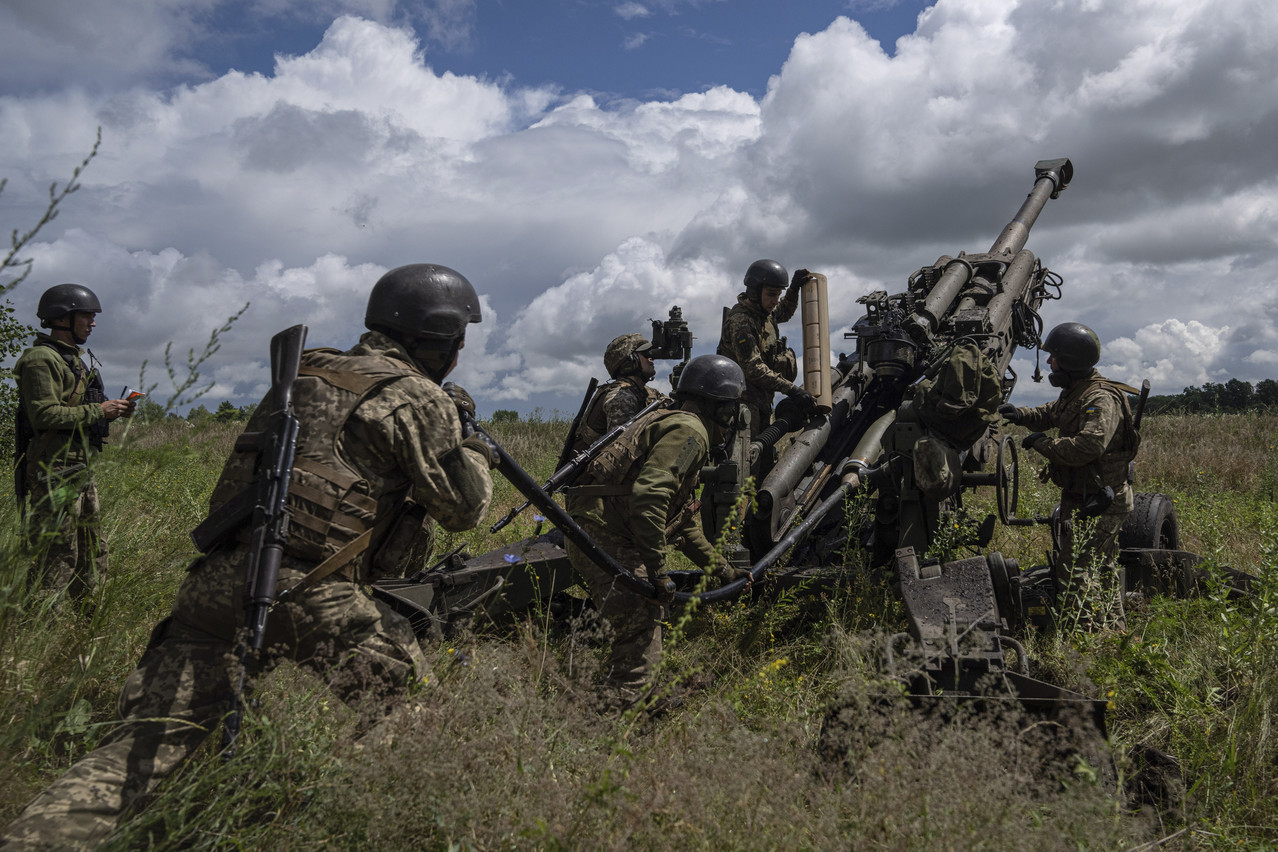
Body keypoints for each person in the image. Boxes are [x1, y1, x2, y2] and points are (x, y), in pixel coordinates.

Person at [1, 264, 497, 850]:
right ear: (440, 340)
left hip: (214, 582)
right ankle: (390, 827)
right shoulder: (415, 395)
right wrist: (474, 448)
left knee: (146, 747)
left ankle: (36, 839)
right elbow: (465, 510)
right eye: (458, 344)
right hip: (315, 589)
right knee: (411, 711)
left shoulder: (303, 371)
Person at [563, 353, 748, 711]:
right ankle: (623, 710)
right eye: (730, 413)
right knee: (641, 612)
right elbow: (651, 496)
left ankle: (640, 695)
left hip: (594, 525)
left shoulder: (673, 421)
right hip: (606, 530)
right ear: (722, 410)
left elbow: (683, 522)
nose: (730, 425)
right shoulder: (690, 432)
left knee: (640, 616)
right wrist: (657, 571)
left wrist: (723, 570)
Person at [999, 322, 1140, 630]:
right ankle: (1113, 631)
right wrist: (1021, 415)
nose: (1049, 363)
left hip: (1101, 500)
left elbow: (1088, 446)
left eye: (1054, 357)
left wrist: (1042, 444)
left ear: (1071, 361)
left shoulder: (1099, 398)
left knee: (1075, 567)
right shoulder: (1077, 392)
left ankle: (1084, 636)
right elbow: (1051, 413)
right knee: (1102, 567)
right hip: (1086, 496)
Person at [14, 284, 135, 602]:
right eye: (87, 316)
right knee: (57, 552)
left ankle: (85, 622)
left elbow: (76, 411)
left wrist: (112, 411)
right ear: (63, 318)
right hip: (55, 472)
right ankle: (41, 631)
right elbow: (43, 415)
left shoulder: (75, 362)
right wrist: (99, 409)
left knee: (92, 549)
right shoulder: (42, 360)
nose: (93, 323)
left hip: (79, 467)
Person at [716, 259, 815, 440]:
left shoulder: (764, 314)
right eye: (771, 294)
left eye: (778, 295)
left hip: (761, 401)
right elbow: (753, 368)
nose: (775, 301)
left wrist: (793, 288)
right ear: (755, 291)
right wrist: (792, 390)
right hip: (742, 404)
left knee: (764, 460)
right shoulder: (741, 321)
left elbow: (783, 311)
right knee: (748, 460)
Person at [570, 333, 665, 452]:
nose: (651, 358)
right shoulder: (621, 398)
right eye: (646, 354)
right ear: (629, 361)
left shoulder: (645, 392)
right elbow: (620, 452)